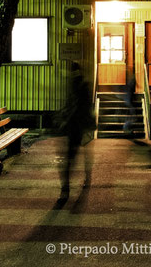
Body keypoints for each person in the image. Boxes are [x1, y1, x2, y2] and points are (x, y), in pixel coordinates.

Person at [57, 62, 95, 202]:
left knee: (69, 158)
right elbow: (84, 106)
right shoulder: (83, 85)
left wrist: (64, 119)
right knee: (82, 155)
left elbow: (74, 105)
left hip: (74, 126)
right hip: (80, 126)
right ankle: (85, 177)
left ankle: (65, 188)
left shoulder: (73, 85)